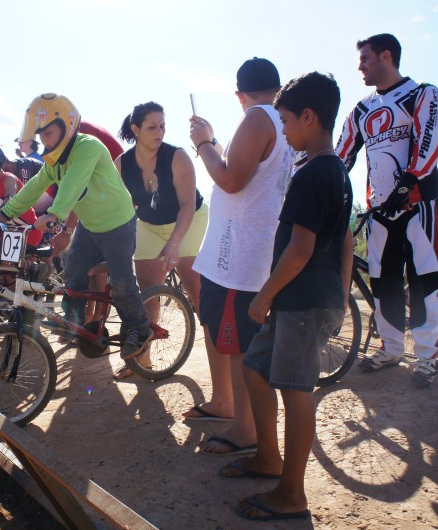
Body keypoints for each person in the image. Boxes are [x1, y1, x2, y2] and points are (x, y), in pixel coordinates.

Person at [229, 72, 352, 522]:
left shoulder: (314, 173)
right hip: (302, 298)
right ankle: (268, 456)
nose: (282, 130)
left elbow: (300, 250)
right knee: (255, 368)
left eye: (284, 120)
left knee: (296, 393)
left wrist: (264, 295)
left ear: (308, 116)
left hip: (302, 301)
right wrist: (341, 295)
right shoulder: (334, 170)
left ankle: (292, 493)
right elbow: (345, 242)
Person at [0, 93, 153, 359]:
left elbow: (74, 184)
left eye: (48, 133)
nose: (44, 141)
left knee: (121, 282)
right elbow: (35, 186)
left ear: (67, 126)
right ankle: (73, 323)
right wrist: (4, 213)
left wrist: (55, 214)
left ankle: (140, 329)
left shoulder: (88, 147)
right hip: (90, 225)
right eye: (41, 135)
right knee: (73, 274)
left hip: (118, 223)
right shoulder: (55, 160)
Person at [186, 58, 294, 456]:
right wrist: (213, 142)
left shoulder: (258, 118)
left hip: (239, 258)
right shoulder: (283, 120)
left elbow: (231, 179)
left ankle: (245, 429)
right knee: (233, 339)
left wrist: (203, 143)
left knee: (238, 346)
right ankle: (228, 407)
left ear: (239, 94)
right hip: (251, 251)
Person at [336, 33, 438, 388]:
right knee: (384, 280)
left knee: (425, 278)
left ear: (386, 56)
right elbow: (341, 156)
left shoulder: (423, 93)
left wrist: (408, 181)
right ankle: (391, 348)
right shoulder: (361, 109)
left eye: (365, 59)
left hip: (418, 202)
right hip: (380, 210)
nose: (360, 67)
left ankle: (427, 357)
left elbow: (429, 138)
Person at [112, 101, 208, 379]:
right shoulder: (122, 164)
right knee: (148, 291)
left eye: (162, 126)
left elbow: (187, 206)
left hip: (189, 220)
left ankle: (219, 352)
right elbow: (122, 208)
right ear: (136, 129)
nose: (159, 132)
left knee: (195, 287)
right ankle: (144, 358)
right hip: (150, 226)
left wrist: (175, 243)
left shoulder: (177, 157)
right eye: (152, 127)